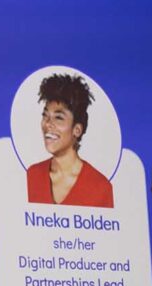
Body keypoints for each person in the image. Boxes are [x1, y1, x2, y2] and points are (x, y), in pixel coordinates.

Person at [26, 73, 113, 208]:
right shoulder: (32, 176)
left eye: (58, 117)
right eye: (45, 115)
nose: (48, 124)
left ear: (77, 130)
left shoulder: (100, 186)